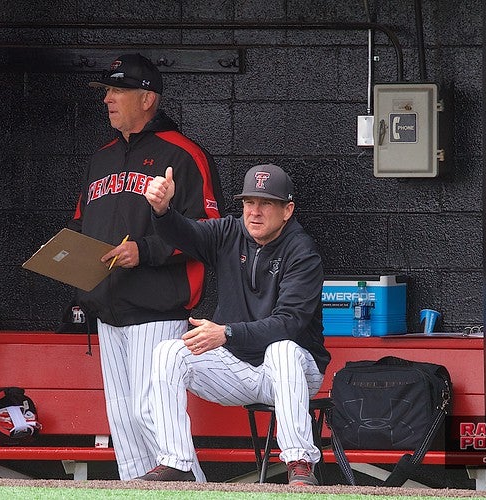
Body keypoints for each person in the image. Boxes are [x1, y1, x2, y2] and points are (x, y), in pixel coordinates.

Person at [67, 53, 225, 480]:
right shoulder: (100, 159)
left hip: (159, 308)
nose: (108, 100)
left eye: (118, 90)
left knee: (151, 412)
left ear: (148, 98)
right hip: (107, 309)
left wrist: (147, 250)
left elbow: (210, 230)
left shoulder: (185, 154)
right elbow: (81, 226)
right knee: (125, 424)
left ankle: (191, 489)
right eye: (107, 92)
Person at [141, 163, 330, 486]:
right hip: (239, 366)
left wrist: (227, 333)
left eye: (265, 203)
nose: (254, 212)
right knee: (168, 352)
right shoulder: (230, 232)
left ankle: (299, 461)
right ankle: (176, 461)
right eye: (248, 202)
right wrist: (162, 210)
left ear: (287, 210)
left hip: (293, 371)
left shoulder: (302, 252)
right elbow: (186, 233)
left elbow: (288, 324)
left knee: (282, 350)